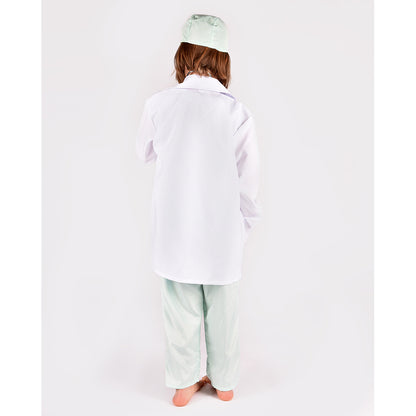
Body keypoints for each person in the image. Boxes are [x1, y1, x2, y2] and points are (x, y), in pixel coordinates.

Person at [136, 14, 262, 406]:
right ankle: (224, 383)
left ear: (182, 55)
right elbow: (250, 181)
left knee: (180, 308)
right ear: (223, 61)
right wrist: (242, 227)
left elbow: (143, 152)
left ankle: (183, 383)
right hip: (222, 233)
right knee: (223, 312)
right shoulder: (236, 113)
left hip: (175, 231)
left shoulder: (159, 105)